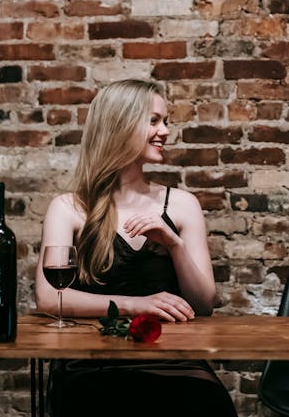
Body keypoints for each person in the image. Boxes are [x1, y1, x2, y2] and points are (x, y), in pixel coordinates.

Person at [35, 79, 237, 416]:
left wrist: (174, 244)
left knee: (207, 403)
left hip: (173, 363)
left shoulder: (182, 204)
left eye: (166, 121)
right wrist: (136, 305)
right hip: (93, 363)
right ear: (120, 126)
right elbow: (48, 298)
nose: (166, 131)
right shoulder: (69, 207)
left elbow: (203, 304)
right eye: (155, 120)